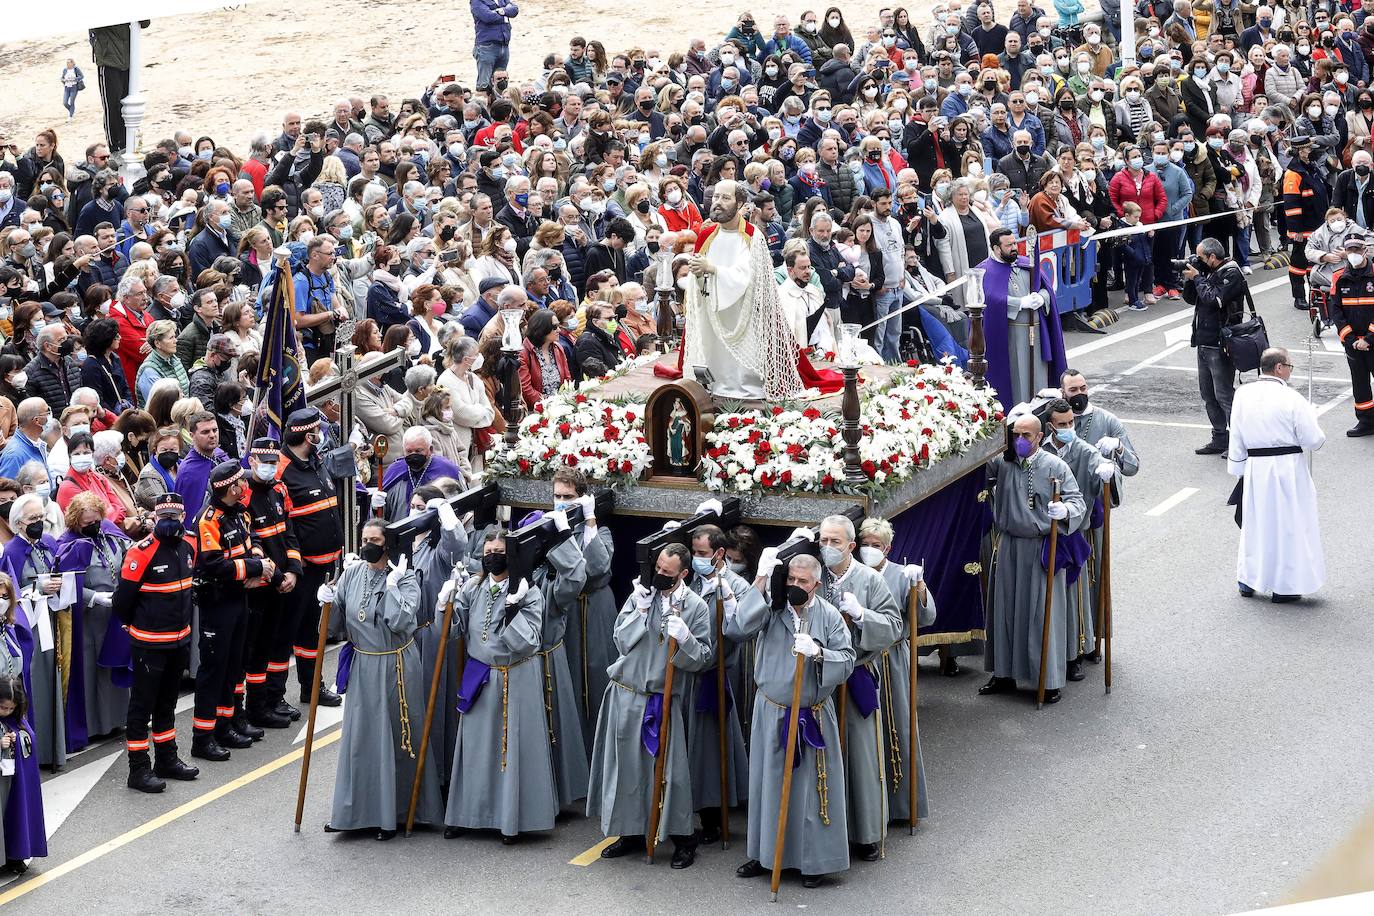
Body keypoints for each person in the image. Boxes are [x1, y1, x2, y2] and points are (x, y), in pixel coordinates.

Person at [728, 553, 854, 888]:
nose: (795, 586)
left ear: (816, 583)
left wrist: (819, 653)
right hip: (771, 710)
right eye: (791, 580)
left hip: (811, 714)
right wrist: (761, 577)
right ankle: (765, 854)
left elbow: (847, 660)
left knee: (810, 791)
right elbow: (738, 626)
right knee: (766, 785)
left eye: (802, 581)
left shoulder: (828, 616)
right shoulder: (772, 609)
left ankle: (812, 862)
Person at [588, 542, 711, 869]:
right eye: (657, 569)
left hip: (661, 699)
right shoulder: (640, 596)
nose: (659, 576)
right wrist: (640, 613)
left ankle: (683, 838)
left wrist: (685, 639)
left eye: (667, 573)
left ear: (683, 574)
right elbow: (621, 641)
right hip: (626, 692)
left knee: (671, 774)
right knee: (627, 769)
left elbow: (701, 659)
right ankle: (630, 832)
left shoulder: (695, 607)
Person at [442, 526, 557, 842]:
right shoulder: (474, 587)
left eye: (499, 552)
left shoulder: (527, 592)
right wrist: (446, 606)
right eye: (488, 552)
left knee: (510, 750)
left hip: (513, 676)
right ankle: (468, 815)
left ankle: (510, 819)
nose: (492, 557)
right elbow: (454, 629)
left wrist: (512, 610)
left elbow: (530, 641)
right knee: (476, 750)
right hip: (480, 676)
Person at [323, 519, 436, 840]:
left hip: (395, 665)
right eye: (364, 538)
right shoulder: (353, 573)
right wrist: (327, 601)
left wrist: (391, 588)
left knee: (397, 737)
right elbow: (333, 627)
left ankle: (396, 813)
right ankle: (355, 811)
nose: (368, 544)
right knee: (362, 739)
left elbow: (401, 620)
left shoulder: (406, 578)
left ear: (388, 545)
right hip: (363, 664)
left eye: (375, 539)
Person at [813, 513, 902, 861]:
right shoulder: (813, 577)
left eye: (835, 542)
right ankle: (828, 827)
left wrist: (864, 615)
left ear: (851, 545)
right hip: (821, 675)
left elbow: (893, 625)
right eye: (823, 540)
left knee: (861, 756)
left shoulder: (869, 579)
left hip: (857, 673)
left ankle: (865, 833)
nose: (828, 547)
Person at [980, 413, 1086, 706]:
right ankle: (1003, 673)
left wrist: (1064, 511)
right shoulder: (1002, 463)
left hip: (1040, 546)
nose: (1020, 441)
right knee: (1005, 609)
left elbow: (1077, 501)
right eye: (1016, 435)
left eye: (1026, 435)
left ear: (1041, 436)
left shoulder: (1055, 466)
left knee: (1041, 613)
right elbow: (977, 467)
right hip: (1009, 544)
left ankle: (1048, 680)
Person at [677, 180, 806, 399]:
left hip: (743, 313)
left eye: (725, 198)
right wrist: (697, 274)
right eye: (716, 197)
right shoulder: (706, 235)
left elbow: (747, 275)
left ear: (740, 203)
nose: (718, 202)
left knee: (742, 371)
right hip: (713, 310)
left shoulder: (752, 235)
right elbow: (697, 276)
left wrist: (711, 268)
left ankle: (747, 387)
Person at [1227, 349, 1326, 603]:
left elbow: (1235, 434)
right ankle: (1286, 586)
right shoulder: (1292, 398)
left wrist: (1239, 468)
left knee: (1256, 526)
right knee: (1288, 527)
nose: (1291, 370)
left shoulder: (1242, 394)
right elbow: (1313, 440)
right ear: (1280, 368)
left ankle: (1248, 580)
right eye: (1290, 366)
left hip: (1255, 468)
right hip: (1286, 469)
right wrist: (1312, 415)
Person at [190, 462, 271, 761]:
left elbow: (255, 540)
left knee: (235, 665)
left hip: (240, 598)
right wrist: (254, 568)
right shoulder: (209, 520)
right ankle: (203, 736)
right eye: (241, 484)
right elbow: (213, 564)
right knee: (214, 669)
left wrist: (259, 560)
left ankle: (227, 723)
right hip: (218, 601)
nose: (245, 487)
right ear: (231, 488)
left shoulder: (240, 512)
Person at [1043, 400, 1116, 681]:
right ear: (1050, 426)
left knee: (1074, 600)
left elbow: (1103, 470)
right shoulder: (1042, 450)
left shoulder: (1085, 451)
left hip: (1074, 533)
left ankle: (1074, 654)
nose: (1068, 428)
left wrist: (1108, 472)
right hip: (1045, 534)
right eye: (1061, 424)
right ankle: (1049, 654)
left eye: (1071, 423)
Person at [277, 409, 343, 709]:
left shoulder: (315, 462)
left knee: (310, 631)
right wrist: (293, 561)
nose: (321, 436)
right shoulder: (282, 470)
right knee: (287, 631)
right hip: (301, 568)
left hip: (324, 565)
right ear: (308, 436)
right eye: (318, 432)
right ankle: (274, 696)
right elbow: (280, 524)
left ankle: (311, 687)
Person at [242, 438, 302, 729]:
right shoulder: (243, 495)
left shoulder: (279, 490)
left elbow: (288, 533)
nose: (269, 467)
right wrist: (278, 577)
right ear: (252, 461)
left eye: (273, 462)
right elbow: (252, 544)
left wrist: (293, 570)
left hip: (283, 580)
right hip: (261, 585)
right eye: (264, 462)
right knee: (258, 649)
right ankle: (256, 706)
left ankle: (275, 697)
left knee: (279, 645)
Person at [1, 493, 65, 767]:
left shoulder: (49, 543)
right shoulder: (12, 552)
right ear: (18, 524)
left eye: (41, 517)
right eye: (33, 519)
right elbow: (9, 591)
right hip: (31, 628)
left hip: (53, 621)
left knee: (53, 679)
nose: (39, 523)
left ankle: (54, 747)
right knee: (34, 682)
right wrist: (36, 589)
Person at [977, 228, 1068, 410]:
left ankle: (1043, 412)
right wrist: (1020, 303)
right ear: (996, 248)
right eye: (1008, 245)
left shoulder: (1027, 263)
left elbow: (1046, 287)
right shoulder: (985, 270)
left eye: (1015, 243)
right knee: (1018, 377)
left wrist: (1042, 297)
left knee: (1039, 375)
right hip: (1011, 334)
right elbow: (989, 299)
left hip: (1037, 330)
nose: (1014, 248)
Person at [1182, 237, 1249, 455]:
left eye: (1201, 258)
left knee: (1224, 395)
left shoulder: (1231, 273)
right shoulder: (1207, 272)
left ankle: (1239, 442)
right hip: (1203, 341)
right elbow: (1193, 299)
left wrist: (1199, 278)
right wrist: (1190, 279)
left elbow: (1214, 300)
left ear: (1212, 257)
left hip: (1221, 343)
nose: (1198, 261)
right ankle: (1220, 437)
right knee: (1208, 395)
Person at [1327, 239, 1374, 437]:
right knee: (1360, 384)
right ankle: (1366, 422)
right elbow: (1335, 311)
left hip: (1371, 341)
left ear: (1365, 251)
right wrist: (1351, 338)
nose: (1354, 253)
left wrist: (1369, 339)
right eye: (1350, 250)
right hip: (1353, 343)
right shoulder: (1339, 277)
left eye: (1357, 249)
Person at [0, 673, 46, 874]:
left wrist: (15, 738)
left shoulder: (18, 719)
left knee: (19, 812)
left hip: (17, 780)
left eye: (11, 708)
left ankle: (15, 854)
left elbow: (28, 738)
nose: (6, 712)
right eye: (2, 707)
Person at [1282, 137, 1330, 312]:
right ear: (1301, 151)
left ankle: (1314, 294)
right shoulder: (1293, 174)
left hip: (1317, 225)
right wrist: (1296, 231)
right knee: (1299, 264)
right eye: (1310, 149)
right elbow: (1291, 204)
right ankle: (1299, 296)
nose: (1313, 151)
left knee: (1314, 263)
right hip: (1303, 229)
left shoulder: (1311, 168)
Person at [173, 412, 228, 515]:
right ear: (192, 435)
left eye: (215, 430)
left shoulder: (221, 455)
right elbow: (189, 513)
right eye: (205, 432)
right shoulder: (188, 471)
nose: (212, 435)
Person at [470, 1, 520, 92]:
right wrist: (505, 14)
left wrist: (499, 11)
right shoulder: (477, 1)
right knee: (484, 85)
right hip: (486, 46)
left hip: (504, 44)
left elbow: (515, 10)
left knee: (502, 82)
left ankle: (500, 105)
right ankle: (484, 105)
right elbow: (487, 17)